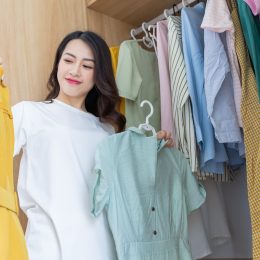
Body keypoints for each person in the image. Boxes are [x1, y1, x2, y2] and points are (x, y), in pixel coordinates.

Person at [12, 31, 173, 260]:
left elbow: (126, 193)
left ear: (99, 74)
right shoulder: (29, 113)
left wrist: (150, 151)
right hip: (47, 249)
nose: (75, 71)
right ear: (58, 63)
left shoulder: (107, 130)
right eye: (68, 60)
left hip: (105, 250)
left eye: (87, 66)